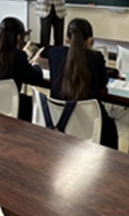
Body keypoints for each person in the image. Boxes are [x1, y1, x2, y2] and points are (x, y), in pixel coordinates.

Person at [47, 18, 118, 149]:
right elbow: (103, 82)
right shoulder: (96, 57)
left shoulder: (54, 53)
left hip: (59, 120)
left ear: (67, 38)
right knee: (111, 128)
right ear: (90, 40)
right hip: (89, 122)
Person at [0, 17, 44, 121]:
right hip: (11, 106)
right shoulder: (17, 56)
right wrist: (36, 63)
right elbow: (36, 78)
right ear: (18, 37)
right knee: (39, 103)